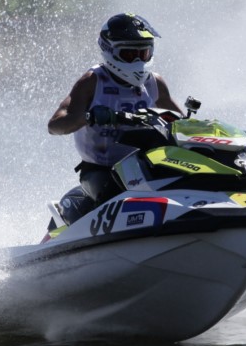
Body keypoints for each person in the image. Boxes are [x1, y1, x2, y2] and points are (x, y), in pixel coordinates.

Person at [48, 13, 183, 223]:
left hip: (145, 165)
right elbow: (55, 125)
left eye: (144, 53)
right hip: (102, 170)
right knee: (114, 190)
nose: (138, 60)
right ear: (110, 51)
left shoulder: (155, 83)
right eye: (130, 54)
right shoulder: (92, 81)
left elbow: (181, 123)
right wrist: (89, 116)